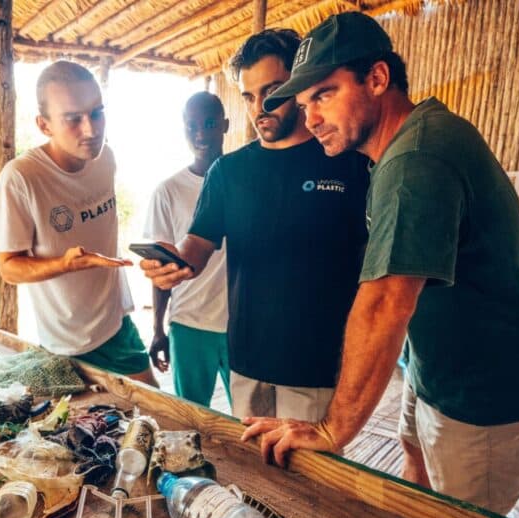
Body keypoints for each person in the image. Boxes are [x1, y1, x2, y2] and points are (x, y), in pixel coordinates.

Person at [243, 12, 519, 515]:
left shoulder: (416, 160)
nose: (311, 118)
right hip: (436, 366)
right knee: (417, 486)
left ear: (377, 78)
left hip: (484, 394)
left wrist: (331, 429)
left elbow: (387, 302)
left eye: (323, 94)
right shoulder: (410, 141)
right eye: (304, 105)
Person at [141, 29, 369, 421]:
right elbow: (198, 243)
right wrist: (173, 264)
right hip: (246, 363)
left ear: (299, 85)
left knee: (309, 481)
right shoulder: (229, 171)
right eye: (248, 96)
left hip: (316, 368)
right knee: (255, 475)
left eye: (273, 90)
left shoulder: (346, 162)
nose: (260, 106)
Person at [0, 61, 156, 386]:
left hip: (116, 325)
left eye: (97, 112)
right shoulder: (21, 178)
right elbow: (9, 268)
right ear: (44, 125)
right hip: (66, 345)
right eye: (73, 119)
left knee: (162, 416)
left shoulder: (105, 158)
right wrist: (65, 264)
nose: (91, 130)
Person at [143, 92, 232, 408]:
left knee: (251, 421)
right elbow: (161, 268)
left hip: (240, 326)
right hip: (189, 326)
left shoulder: (243, 180)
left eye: (209, 124)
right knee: (190, 419)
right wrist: (157, 330)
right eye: (191, 126)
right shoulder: (168, 191)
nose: (200, 134)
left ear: (225, 125)